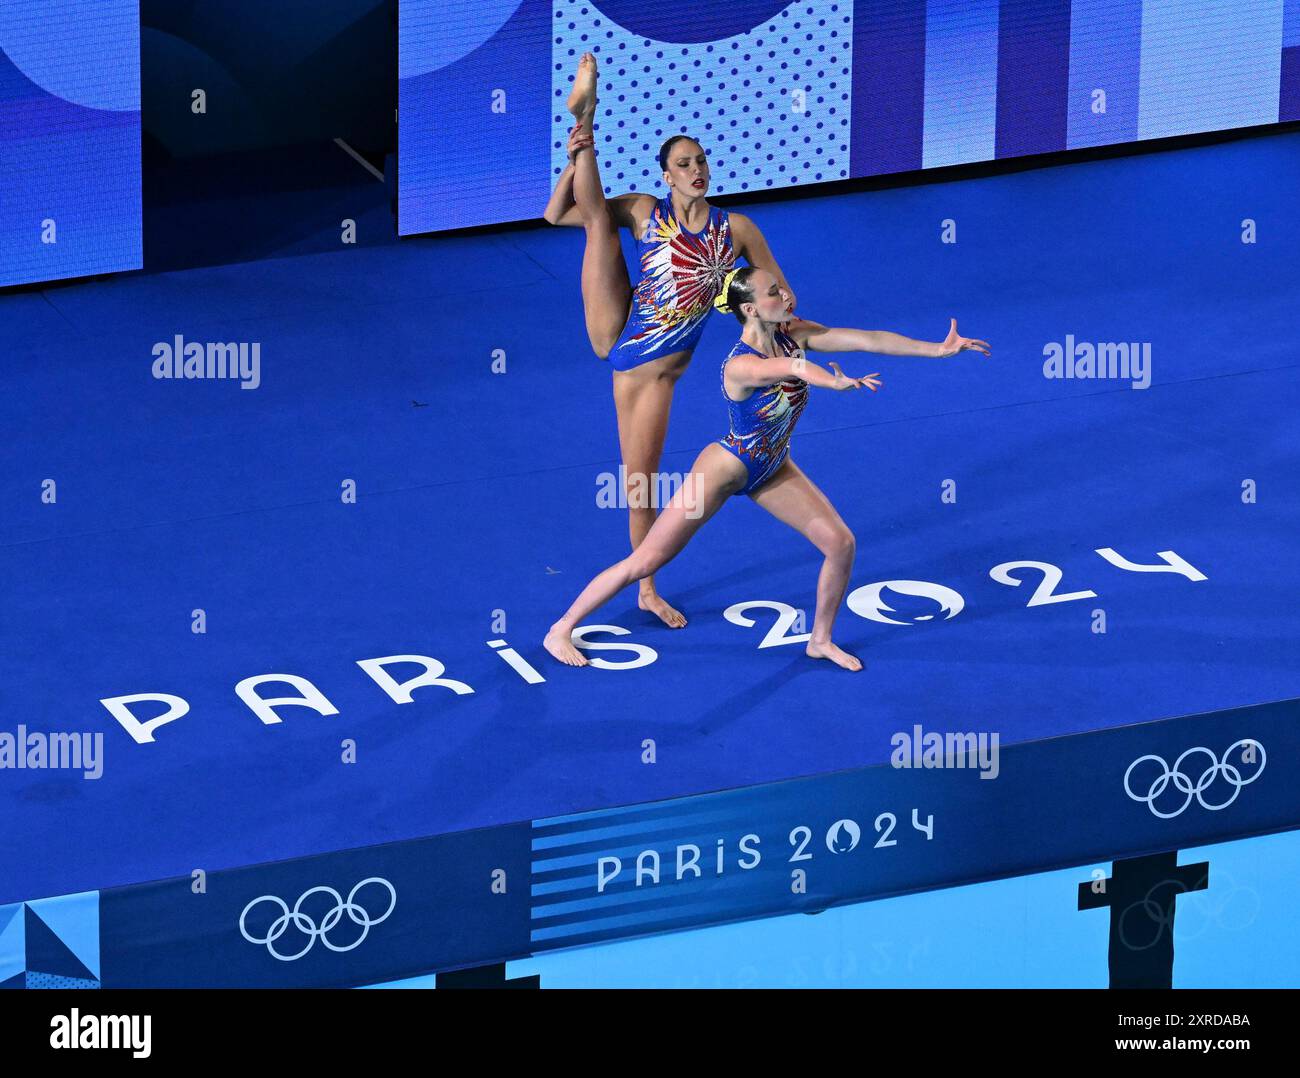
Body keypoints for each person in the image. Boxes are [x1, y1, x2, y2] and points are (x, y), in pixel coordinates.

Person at [543, 266, 991, 671]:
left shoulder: (795, 333)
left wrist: (936, 351)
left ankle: (820, 640)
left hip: (773, 467)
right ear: (750, 308)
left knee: (840, 543)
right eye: (774, 292)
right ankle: (561, 627)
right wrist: (832, 380)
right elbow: (793, 368)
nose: (786, 295)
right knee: (646, 560)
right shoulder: (740, 365)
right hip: (725, 468)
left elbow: (866, 338)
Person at [543, 52, 796, 629]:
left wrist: (780, 317)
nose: (696, 170)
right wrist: (574, 157)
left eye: (701, 161)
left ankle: (586, 125)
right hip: (633, 349)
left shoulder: (736, 229)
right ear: (666, 175)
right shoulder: (644, 210)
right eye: (684, 163)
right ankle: (646, 587)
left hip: (636, 342)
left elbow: (776, 292)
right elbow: (557, 214)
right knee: (641, 484)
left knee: (641, 478)